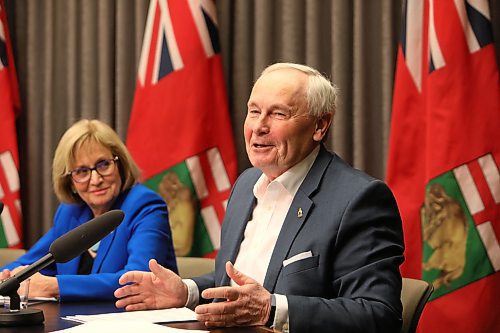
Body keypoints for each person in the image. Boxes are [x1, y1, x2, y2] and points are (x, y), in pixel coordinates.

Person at [114, 63, 404, 333]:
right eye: (254, 111)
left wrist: (271, 309)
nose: (259, 127)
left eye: (278, 114)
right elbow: (239, 283)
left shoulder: (358, 199)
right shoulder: (246, 184)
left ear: (320, 126)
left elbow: (378, 314)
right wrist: (186, 292)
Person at [0, 119, 177, 301]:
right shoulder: (70, 213)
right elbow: (32, 263)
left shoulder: (145, 205)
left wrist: (54, 286)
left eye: (103, 165)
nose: (95, 179)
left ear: (120, 165)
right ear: (70, 182)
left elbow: (139, 280)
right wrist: (6, 277)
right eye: (82, 171)